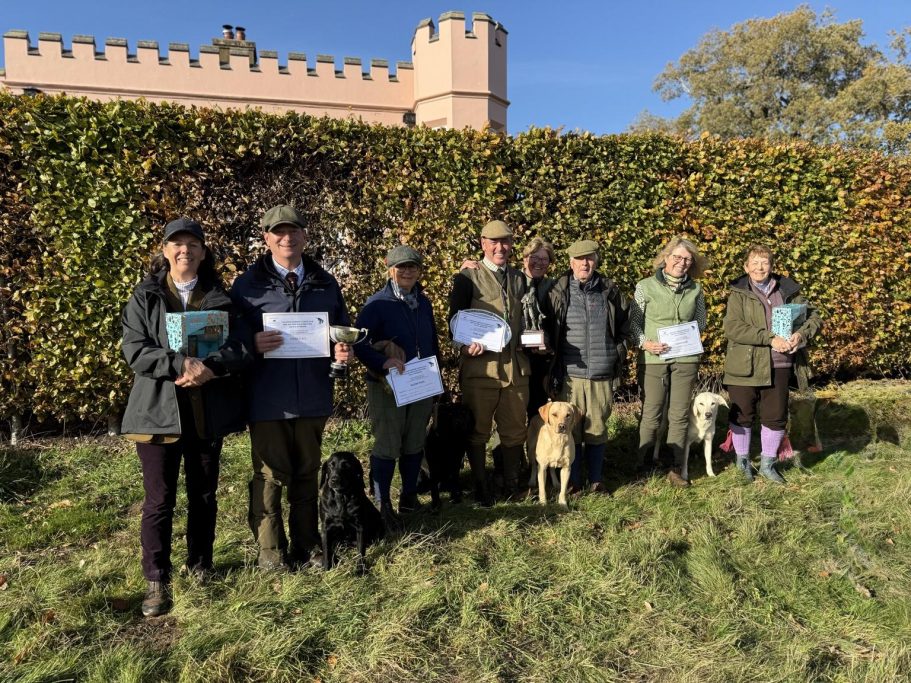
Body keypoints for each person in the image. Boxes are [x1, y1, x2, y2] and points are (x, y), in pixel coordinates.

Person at [121, 217, 251, 617]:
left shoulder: (220, 297)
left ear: (203, 252)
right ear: (164, 250)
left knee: (204, 496)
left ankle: (200, 567)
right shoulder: (145, 297)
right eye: (177, 244)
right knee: (159, 501)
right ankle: (156, 580)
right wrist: (180, 363)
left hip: (204, 414)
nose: (185, 251)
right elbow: (135, 350)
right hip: (156, 415)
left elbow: (241, 346)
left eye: (193, 244)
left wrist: (211, 366)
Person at [230, 204, 353, 570]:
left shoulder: (325, 282)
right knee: (270, 477)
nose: (287, 238)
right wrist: (251, 343)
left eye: (293, 231)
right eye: (278, 232)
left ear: (304, 235)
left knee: (307, 473)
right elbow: (229, 339)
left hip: (313, 394)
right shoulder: (246, 286)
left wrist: (341, 349)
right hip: (268, 397)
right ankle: (271, 552)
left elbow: (340, 328)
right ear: (266, 238)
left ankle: (307, 544)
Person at [354, 245, 440, 529]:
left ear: (419, 270)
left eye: (412, 266)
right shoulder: (376, 304)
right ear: (390, 269)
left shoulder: (423, 303)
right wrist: (382, 362)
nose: (407, 271)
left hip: (421, 381)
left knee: (415, 441)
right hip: (387, 385)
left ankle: (408, 498)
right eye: (401, 267)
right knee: (388, 444)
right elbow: (358, 344)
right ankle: (383, 505)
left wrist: (437, 380)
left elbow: (432, 342)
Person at [722, 244, 821, 483]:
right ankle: (742, 463)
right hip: (744, 365)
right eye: (754, 263)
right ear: (746, 267)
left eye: (764, 262)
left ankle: (768, 464)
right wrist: (770, 338)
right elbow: (733, 328)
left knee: (775, 416)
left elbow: (814, 317)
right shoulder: (738, 294)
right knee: (742, 415)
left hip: (779, 364)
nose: (759, 267)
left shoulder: (788, 290)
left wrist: (800, 335)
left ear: (772, 266)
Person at [448, 220, 530, 505]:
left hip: (515, 368)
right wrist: (463, 346)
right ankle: (481, 487)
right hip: (481, 368)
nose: (500, 247)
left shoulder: (519, 278)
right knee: (478, 431)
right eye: (494, 242)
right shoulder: (467, 277)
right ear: (483, 243)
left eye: (505, 241)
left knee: (514, 428)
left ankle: (511, 483)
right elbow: (454, 321)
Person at [547, 239, 629, 494]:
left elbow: (625, 325)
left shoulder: (610, 290)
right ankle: (573, 481)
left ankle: (595, 480)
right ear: (571, 262)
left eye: (590, 258)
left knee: (597, 428)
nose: (585, 263)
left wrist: (618, 351)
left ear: (596, 261)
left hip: (601, 373)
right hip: (570, 374)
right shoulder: (558, 291)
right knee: (570, 430)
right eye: (580, 259)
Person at [629, 236, 707, 487]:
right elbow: (633, 323)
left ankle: (675, 467)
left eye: (687, 259)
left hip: (686, 359)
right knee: (652, 413)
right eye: (677, 257)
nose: (681, 263)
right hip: (653, 358)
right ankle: (642, 464)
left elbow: (701, 322)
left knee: (679, 414)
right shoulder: (645, 286)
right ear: (665, 258)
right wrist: (645, 343)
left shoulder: (696, 289)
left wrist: (687, 335)